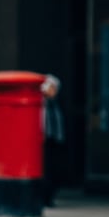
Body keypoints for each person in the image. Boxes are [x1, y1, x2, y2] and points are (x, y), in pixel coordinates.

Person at [41, 74, 65, 206]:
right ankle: (44, 197)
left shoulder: (57, 103)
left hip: (56, 140)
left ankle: (50, 196)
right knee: (46, 171)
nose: (52, 91)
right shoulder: (40, 103)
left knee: (56, 171)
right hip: (44, 140)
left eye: (54, 88)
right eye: (50, 88)